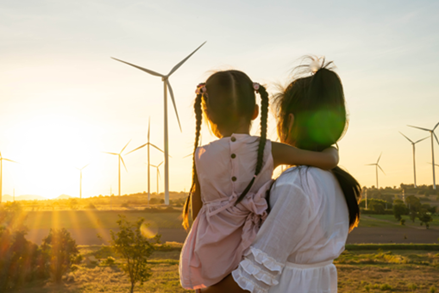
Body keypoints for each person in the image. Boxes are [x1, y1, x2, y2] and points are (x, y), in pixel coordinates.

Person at [200, 58, 361, 293]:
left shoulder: (296, 184)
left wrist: (207, 290)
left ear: (290, 121)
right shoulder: (336, 181)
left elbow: (256, 273)